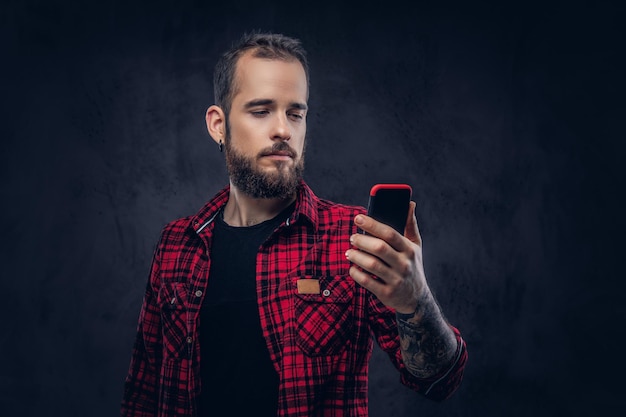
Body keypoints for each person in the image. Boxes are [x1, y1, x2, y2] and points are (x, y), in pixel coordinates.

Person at [121, 32, 467, 417]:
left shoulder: (353, 239)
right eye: (261, 110)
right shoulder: (176, 244)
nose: (283, 130)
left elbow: (439, 380)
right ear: (218, 124)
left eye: (295, 113)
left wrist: (414, 301)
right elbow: (142, 394)